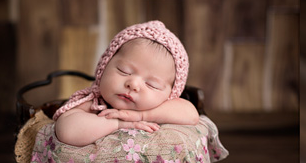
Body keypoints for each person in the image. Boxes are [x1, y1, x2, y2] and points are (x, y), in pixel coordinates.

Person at [52, 20, 200, 147]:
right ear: (104, 67)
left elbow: (191, 115)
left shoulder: (161, 106)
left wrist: (141, 116)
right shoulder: (93, 103)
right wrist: (118, 123)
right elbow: (67, 131)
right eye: (124, 71)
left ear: (171, 94)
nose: (133, 84)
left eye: (151, 85)